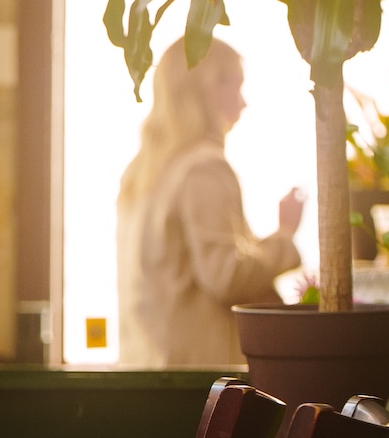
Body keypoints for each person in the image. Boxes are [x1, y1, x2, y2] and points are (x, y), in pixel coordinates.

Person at [117, 38, 305, 367]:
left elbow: (191, 273)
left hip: (148, 369)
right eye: (236, 86)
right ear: (206, 89)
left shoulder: (144, 173)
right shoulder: (204, 168)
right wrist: (284, 236)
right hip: (200, 379)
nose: (244, 103)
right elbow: (226, 276)